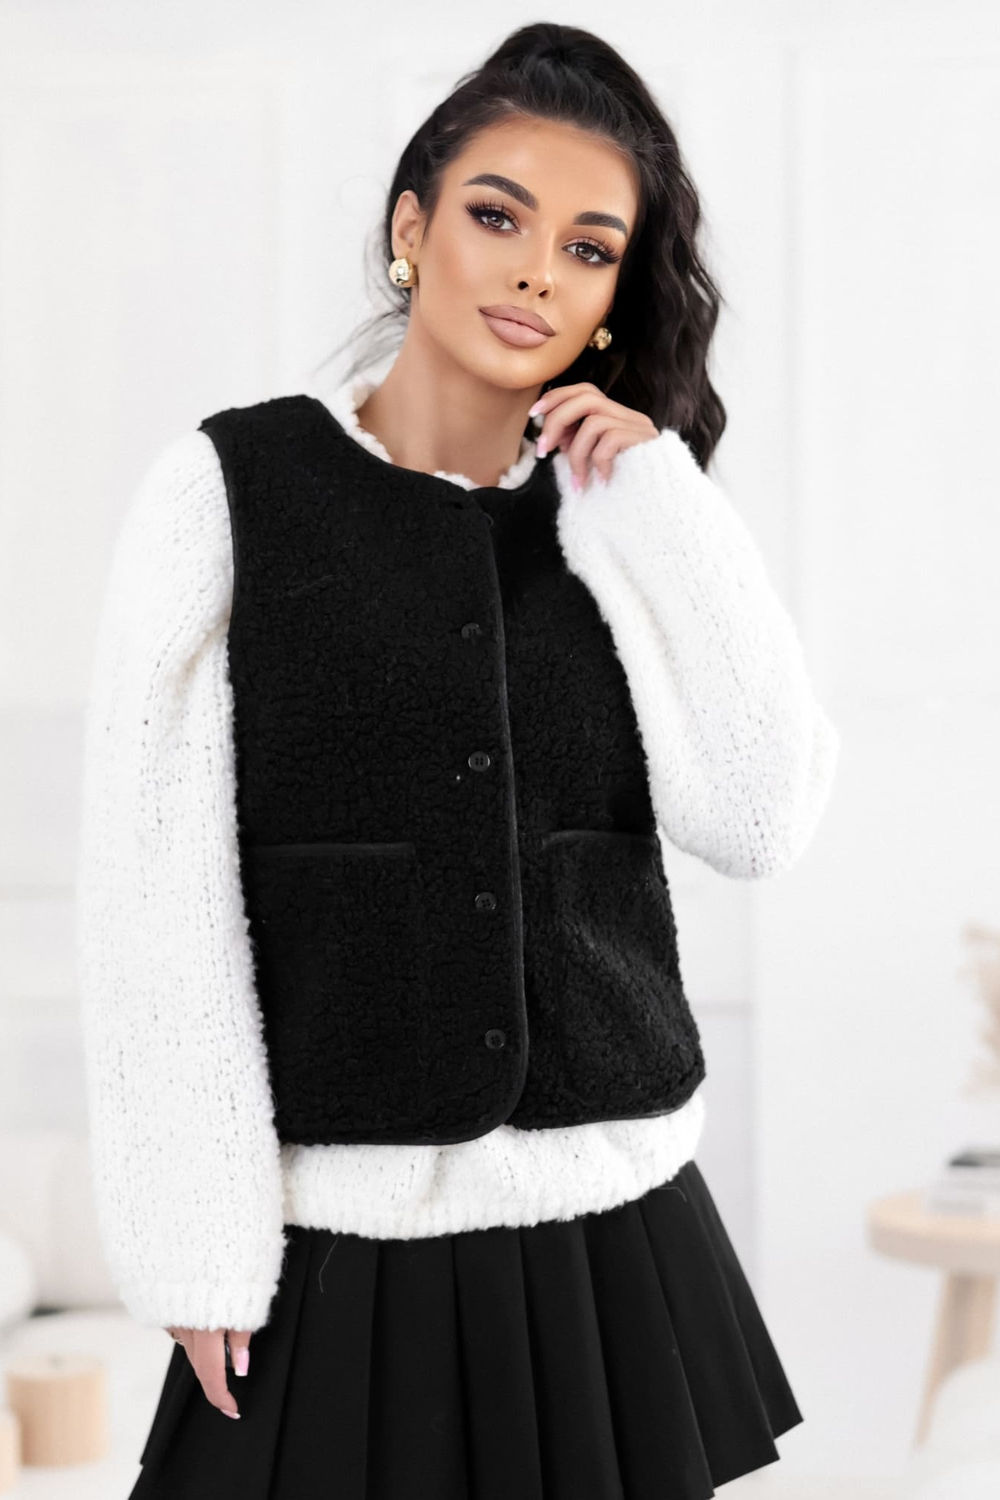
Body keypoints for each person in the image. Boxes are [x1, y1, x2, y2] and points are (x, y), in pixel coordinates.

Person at [75, 21, 840, 1500]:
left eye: (589, 248)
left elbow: (759, 816)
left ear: (615, 299)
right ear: (412, 231)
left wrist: (659, 499)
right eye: (499, 216)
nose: (537, 271)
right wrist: (193, 1240)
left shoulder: (631, 515)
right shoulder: (227, 492)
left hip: (614, 1228)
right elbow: (153, 891)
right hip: (337, 1240)